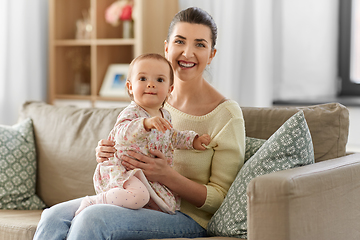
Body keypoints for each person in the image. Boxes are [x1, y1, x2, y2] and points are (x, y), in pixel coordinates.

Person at [33, 7, 245, 239]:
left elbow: (221, 199)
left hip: (183, 216)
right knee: (52, 216)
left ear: (212, 54)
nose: (187, 52)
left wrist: (167, 176)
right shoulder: (147, 102)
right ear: (167, 47)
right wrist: (107, 150)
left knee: (93, 219)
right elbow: (126, 135)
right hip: (137, 198)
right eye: (180, 41)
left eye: (200, 45)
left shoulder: (227, 115)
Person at [75, 53, 211, 216]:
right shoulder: (132, 112)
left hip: (146, 176)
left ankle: (115, 206)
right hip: (123, 170)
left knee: (164, 205)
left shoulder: (165, 115)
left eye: (159, 80)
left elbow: (173, 137)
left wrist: (193, 140)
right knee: (139, 196)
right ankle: (94, 202)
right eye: (143, 79)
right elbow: (122, 134)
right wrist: (145, 124)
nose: (151, 85)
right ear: (130, 86)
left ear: (170, 90)